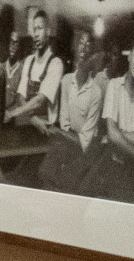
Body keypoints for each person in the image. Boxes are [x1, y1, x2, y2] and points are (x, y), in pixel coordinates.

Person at [39, 30, 106, 194]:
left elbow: (86, 142)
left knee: (69, 185)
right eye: (81, 43)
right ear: (75, 49)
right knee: (44, 173)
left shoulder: (96, 90)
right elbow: (65, 123)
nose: (84, 48)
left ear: (92, 56)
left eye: (88, 44)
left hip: (86, 150)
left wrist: (56, 132)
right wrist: (60, 134)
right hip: (68, 142)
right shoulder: (66, 80)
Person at [85, 33, 134, 204]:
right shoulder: (114, 86)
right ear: (129, 57)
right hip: (116, 166)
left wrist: (114, 136)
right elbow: (113, 134)